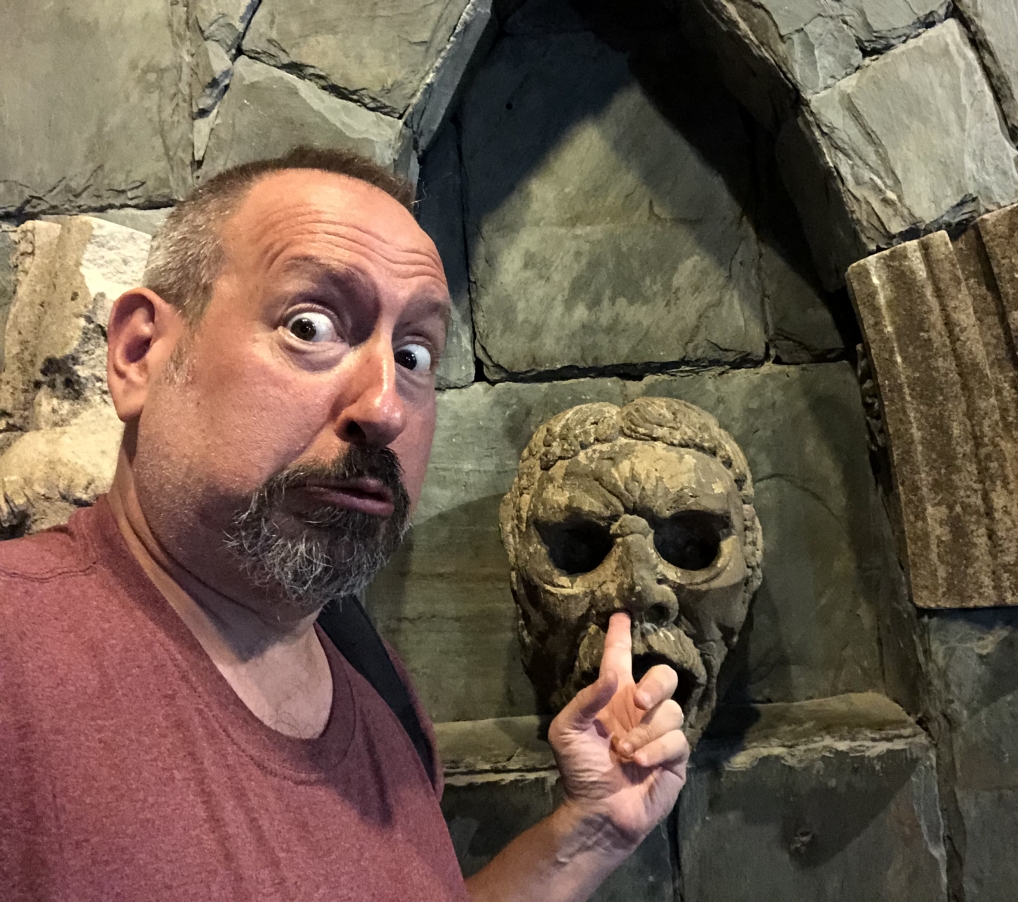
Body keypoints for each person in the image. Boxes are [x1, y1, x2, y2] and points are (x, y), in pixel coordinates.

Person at [0, 147, 689, 900]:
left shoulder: (377, 683)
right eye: (310, 326)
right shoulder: (20, 656)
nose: (385, 408)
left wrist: (590, 830)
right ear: (140, 353)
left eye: (414, 354)